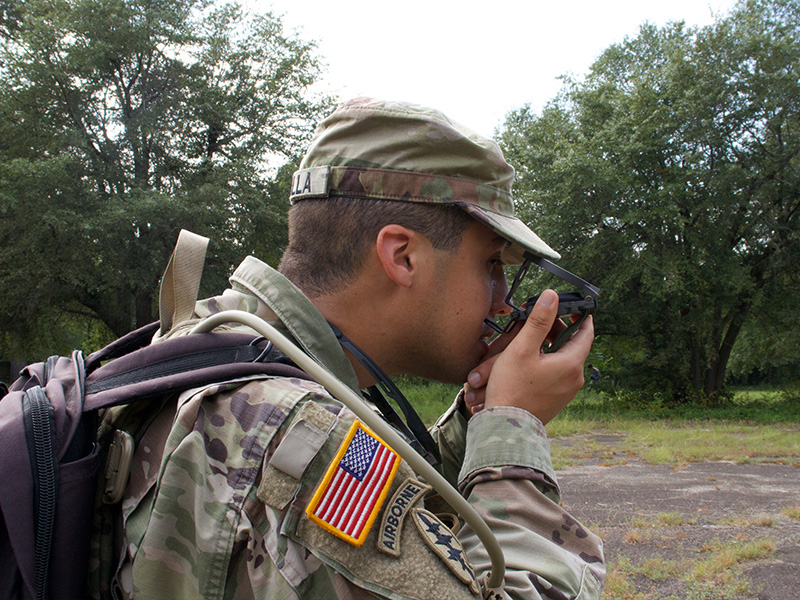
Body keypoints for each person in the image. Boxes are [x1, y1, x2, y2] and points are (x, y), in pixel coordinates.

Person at [94, 98, 605, 599]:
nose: (500, 302)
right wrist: (512, 430)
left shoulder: (215, 339)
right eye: (491, 263)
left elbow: (409, 522)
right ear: (402, 256)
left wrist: (478, 415)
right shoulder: (295, 437)